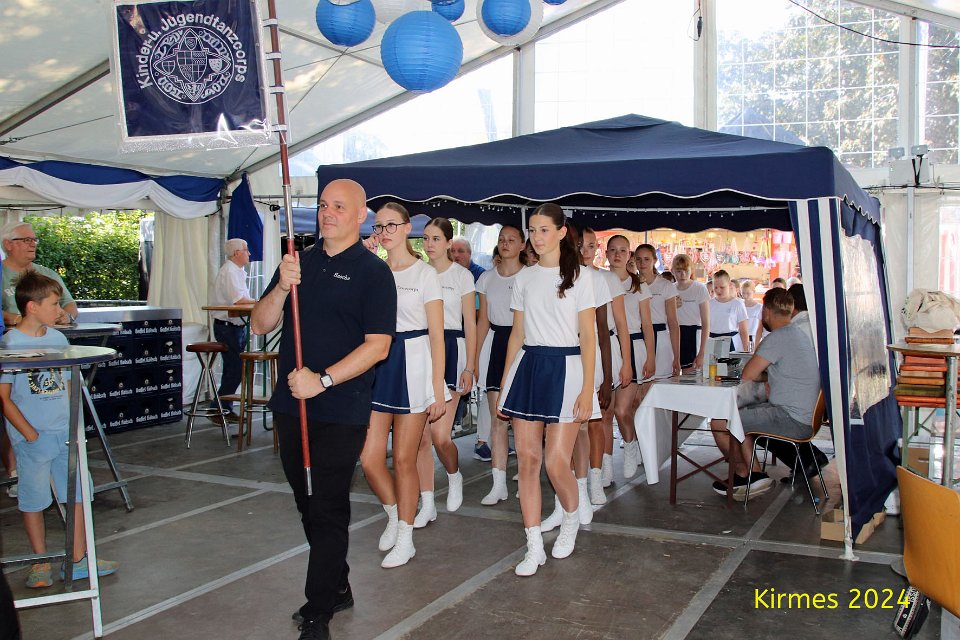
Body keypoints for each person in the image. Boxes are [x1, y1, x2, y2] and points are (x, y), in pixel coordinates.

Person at [251, 179, 396, 640]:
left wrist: (324, 379)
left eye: (338, 206)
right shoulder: (298, 263)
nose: (327, 213)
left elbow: (378, 346)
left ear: (360, 216)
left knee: (328, 506)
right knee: (306, 504)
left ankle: (318, 613)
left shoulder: (373, 273)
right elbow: (260, 324)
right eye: (322, 205)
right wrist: (281, 287)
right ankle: (338, 584)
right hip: (291, 406)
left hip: (341, 407)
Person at [1, 271, 119, 589]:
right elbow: (4, 397)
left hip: (64, 435)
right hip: (33, 438)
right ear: (32, 306)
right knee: (34, 499)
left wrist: (73, 428)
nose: (60, 310)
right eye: (54, 304)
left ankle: (77, 559)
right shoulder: (11, 344)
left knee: (78, 494)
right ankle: (40, 561)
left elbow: (68, 387)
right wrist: (28, 433)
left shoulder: (58, 339)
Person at [498, 203, 598, 577]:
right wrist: (506, 384)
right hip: (529, 367)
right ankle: (533, 547)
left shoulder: (581, 277)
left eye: (544, 230)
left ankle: (570, 518)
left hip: (567, 369)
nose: (537, 237)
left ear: (561, 232)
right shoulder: (524, 278)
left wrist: (587, 389)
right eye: (533, 230)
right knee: (527, 460)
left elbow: (588, 336)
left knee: (556, 462)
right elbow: (516, 335)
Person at [359, 203, 448, 569]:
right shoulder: (371, 270)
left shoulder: (426, 274)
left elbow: (438, 335)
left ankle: (406, 538)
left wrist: (437, 387)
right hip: (377, 363)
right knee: (369, 458)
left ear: (408, 227)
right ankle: (395, 513)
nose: (384, 232)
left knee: (405, 458)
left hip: (414, 364)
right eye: (379, 226)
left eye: (391, 225)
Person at [709, 288, 821, 499]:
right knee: (743, 414)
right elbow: (769, 373)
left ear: (766, 312)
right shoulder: (798, 334)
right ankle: (755, 474)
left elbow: (748, 374)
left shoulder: (777, 338)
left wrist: (742, 371)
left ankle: (743, 472)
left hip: (791, 418)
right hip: (805, 415)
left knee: (719, 423)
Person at [414, 217, 476, 526]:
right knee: (421, 437)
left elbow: (470, 324)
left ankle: (454, 475)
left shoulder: (462, 276)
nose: (429, 244)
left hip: (452, 349)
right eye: (426, 238)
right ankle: (427, 503)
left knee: (440, 436)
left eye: (436, 238)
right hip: (421, 349)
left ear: (449, 242)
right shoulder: (417, 272)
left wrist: (470, 366)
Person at [476, 225, 525, 506]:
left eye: (511, 240)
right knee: (497, 418)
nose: (505, 244)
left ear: (522, 245)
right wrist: (474, 359)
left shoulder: (529, 276)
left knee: (522, 421)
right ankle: (498, 484)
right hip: (496, 345)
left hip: (523, 345)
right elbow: (483, 321)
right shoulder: (486, 278)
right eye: (501, 239)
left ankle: (525, 478)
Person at [765, 283, 828, 483]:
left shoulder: (794, 330)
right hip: (818, 399)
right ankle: (812, 456)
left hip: (802, 402)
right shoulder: (816, 324)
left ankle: (805, 461)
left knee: (753, 423)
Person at [606, 235, 655, 480]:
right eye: (613, 250)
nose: (617, 254)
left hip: (634, 347)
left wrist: (651, 356)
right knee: (606, 411)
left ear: (629, 255)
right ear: (606, 253)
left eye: (622, 250)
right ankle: (604, 466)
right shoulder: (600, 280)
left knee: (623, 409)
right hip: (608, 345)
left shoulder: (638, 286)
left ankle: (630, 446)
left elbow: (647, 324)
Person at [209, 238, 256, 421]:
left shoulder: (236, 271)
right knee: (235, 369)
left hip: (235, 326)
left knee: (234, 368)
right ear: (237, 253)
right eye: (246, 250)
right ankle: (219, 408)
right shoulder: (229, 271)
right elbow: (238, 300)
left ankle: (223, 408)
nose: (249, 253)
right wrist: (261, 302)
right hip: (227, 327)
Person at [1, 221, 77, 329]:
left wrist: (68, 316)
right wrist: (19, 319)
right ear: (8, 244)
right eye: (27, 240)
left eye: (34, 240)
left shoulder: (48, 273)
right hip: (10, 336)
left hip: (51, 335)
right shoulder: (2, 273)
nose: (33, 244)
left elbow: (69, 303)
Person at [635, 244, 680, 379]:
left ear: (654, 260)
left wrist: (677, 357)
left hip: (660, 339)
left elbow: (673, 323)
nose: (642, 263)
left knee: (660, 382)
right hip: (637, 337)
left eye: (646, 259)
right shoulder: (631, 285)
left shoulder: (665, 286)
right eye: (638, 259)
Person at [672, 254, 709, 370]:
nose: (682, 275)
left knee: (691, 373)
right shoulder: (670, 289)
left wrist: (702, 352)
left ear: (691, 270)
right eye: (678, 271)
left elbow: (706, 323)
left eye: (686, 271)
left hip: (693, 334)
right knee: (672, 372)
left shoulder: (700, 288)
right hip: (674, 333)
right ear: (672, 271)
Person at [709, 270, 748, 353]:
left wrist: (746, 351)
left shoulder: (738, 304)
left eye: (722, 287)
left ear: (729, 285)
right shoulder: (709, 304)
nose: (718, 290)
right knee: (711, 362)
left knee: (729, 362)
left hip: (731, 342)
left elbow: (744, 331)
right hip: (711, 341)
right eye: (715, 287)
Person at [739, 280, 762, 352]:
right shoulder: (738, 305)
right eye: (743, 293)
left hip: (753, 336)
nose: (745, 296)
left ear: (753, 291)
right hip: (739, 337)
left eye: (748, 293)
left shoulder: (759, 307)